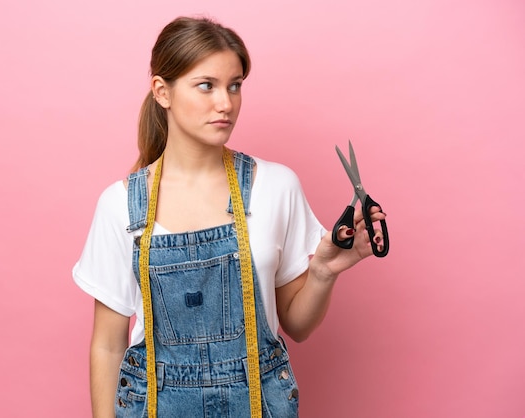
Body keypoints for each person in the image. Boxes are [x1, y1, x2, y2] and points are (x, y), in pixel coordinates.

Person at [72, 16, 386, 418]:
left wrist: (324, 272)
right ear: (162, 92)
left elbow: (298, 325)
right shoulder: (120, 206)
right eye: (207, 85)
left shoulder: (275, 186)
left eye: (234, 85)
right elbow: (108, 345)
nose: (226, 103)